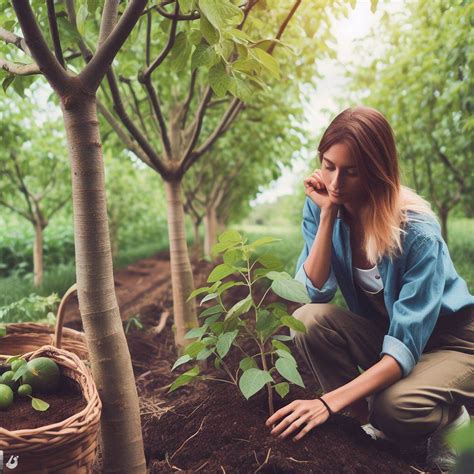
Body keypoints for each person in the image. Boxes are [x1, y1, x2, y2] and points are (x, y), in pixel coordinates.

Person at [265, 106, 474, 471]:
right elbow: (312, 294)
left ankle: (450, 419)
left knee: (395, 407)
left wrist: (327, 402)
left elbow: (404, 347)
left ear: (377, 172)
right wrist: (328, 214)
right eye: (328, 165)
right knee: (309, 321)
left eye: (351, 172)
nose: (334, 183)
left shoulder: (418, 232)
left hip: (453, 342)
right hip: (392, 332)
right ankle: (371, 425)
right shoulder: (324, 205)